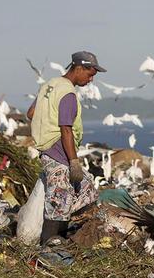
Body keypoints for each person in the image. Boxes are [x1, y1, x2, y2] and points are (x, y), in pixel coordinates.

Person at [27, 51, 106, 245]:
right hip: (59, 153)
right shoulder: (68, 94)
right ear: (79, 68)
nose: (91, 79)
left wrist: (47, 123)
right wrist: (74, 162)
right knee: (58, 198)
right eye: (90, 74)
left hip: (47, 150)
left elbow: (31, 113)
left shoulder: (50, 85)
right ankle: (50, 244)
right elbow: (66, 130)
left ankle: (68, 236)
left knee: (86, 191)